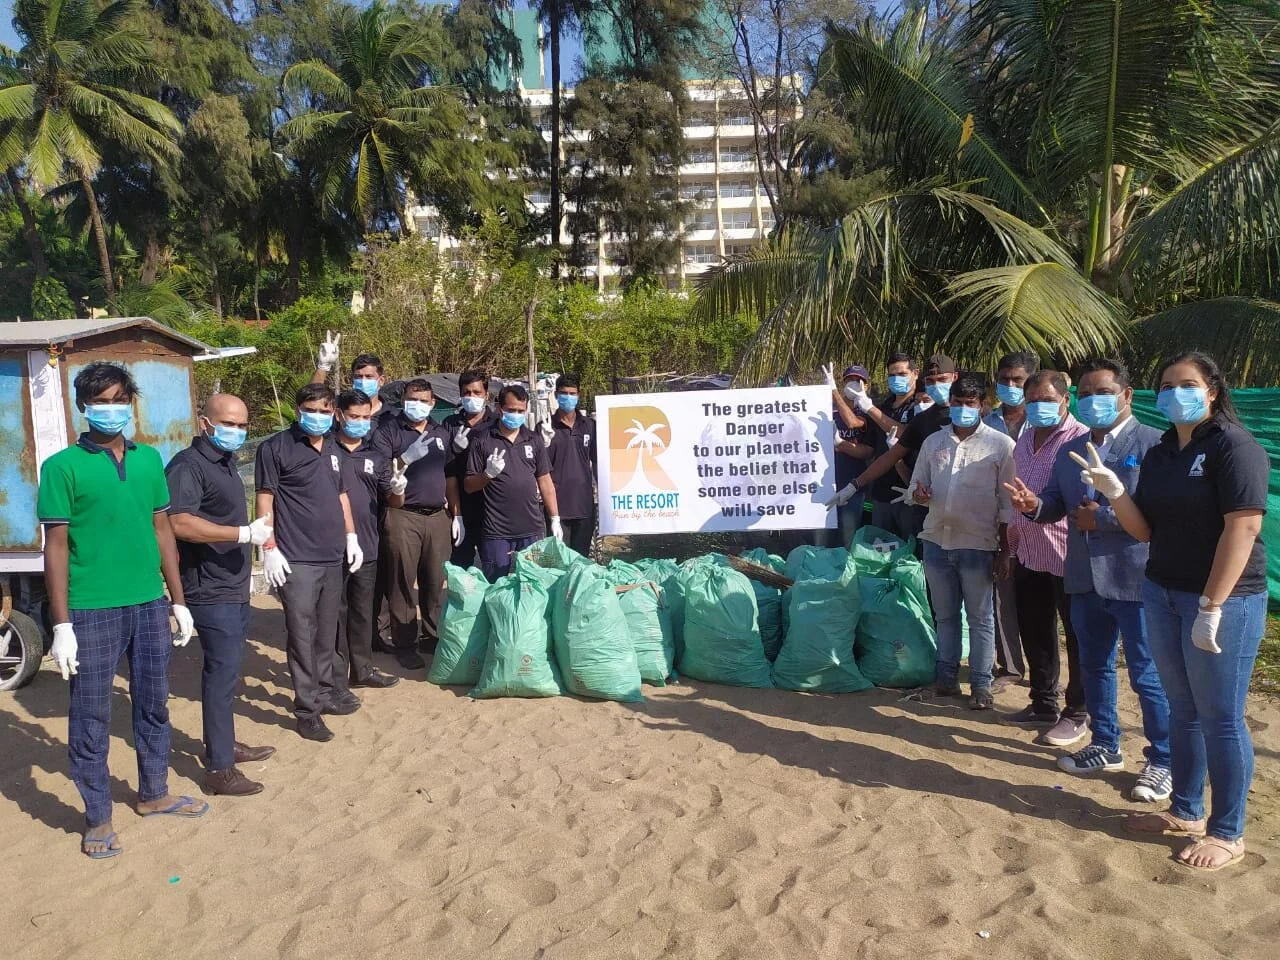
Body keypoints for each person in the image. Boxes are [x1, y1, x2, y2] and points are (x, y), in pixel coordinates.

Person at [1077, 352, 1269, 871]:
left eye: (1186, 383)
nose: (1174, 393)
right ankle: (1186, 810)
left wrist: (1213, 604)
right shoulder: (1163, 451)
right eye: (1166, 384)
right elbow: (1146, 531)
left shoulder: (1234, 447)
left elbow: (1243, 530)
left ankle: (1228, 832)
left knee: (1222, 717)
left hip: (1223, 600)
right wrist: (1115, 494)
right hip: (1161, 593)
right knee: (1183, 710)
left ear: (1211, 389)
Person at [38, 362, 207, 859]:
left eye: (119, 399)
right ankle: (97, 817)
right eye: (101, 400)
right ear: (83, 407)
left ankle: (154, 793)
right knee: (89, 715)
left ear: (130, 403)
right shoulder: (62, 466)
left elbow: (162, 531)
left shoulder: (151, 460)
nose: (112, 409)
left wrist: (178, 601)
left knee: (153, 704)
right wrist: (62, 622)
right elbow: (55, 545)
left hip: (148, 605)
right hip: (90, 611)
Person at [1006, 358, 1171, 802]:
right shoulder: (1069, 451)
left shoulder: (1155, 445)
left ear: (1127, 396)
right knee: (1094, 666)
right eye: (1087, 393)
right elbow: (1058, 504)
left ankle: (1162, 760)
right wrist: (1032, 506)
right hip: (1082, 577)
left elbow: (1161, 516)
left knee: (1146, 674)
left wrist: (1108, 520)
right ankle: (1105, 744)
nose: (1094, 401)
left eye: (1103, 392)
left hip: (1135, 578)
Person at [165, 394, 277, 797]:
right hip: (209, 589)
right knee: (220, 674)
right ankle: (219, 770)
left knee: (228, 675)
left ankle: (222, 744)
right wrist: (241, 534)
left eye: (243, 424)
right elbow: (179, 522)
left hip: (232, 584)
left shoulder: (225, 461)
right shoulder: (188, 466)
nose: (236, 431)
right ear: (205, 423)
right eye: (228, 423)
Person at [255, 384, 363, 742]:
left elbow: (342, 496)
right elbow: (265, 498)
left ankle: (327, 691)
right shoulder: (276, 448)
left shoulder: (333, 447)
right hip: (297, 558)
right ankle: (307, 709)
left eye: (322, 410)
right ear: (298, 410)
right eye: (309, 409)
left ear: (333, 412)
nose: (315, 416)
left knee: (327, 630)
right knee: (302, 633)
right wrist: (268, 546)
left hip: (332, 555)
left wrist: (351, 537)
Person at [906, 372, 1016, 710]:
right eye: (957, 403)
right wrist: (919, 494)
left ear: (982, 406)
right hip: (937, 541)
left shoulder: (1000, 445)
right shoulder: (933, 443)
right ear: (949, 405)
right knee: (945, 615)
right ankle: (947, 678)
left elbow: (1007, 504)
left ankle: (981, 686)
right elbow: (914, 488)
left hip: (978, 544)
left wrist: (1004, 550)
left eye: (970, 404)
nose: (963, 409)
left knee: (980, 618)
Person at [997, 371, 1091, 746]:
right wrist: (1010, 546)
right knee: (1036, 631)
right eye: (1032, 400)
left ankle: (1078, 712)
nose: (1039, 407)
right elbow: (1014, 501)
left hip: (1069, 554)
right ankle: (1043, 702)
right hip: (1030, 551)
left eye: (1047, 400)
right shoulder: (1022, 440)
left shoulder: (1081, 440)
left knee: (1078, 636)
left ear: (1065, 399)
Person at [371, 378, 461, 670]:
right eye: (413, 399)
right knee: (402, 581)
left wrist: (456, 514)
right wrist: (405, 460)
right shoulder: (389, 431)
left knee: (435, 582)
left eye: (423, 400)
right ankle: (405, 642)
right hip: (402, 514)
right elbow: (382, 472)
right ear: (403, 400)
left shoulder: (440, 432)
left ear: (433, 404)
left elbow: (449, 475)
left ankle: (432, 636)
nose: (417, 405)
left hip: (437, 516)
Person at [833, 353, 959, 543]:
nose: (936, 386)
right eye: (931, 381)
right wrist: (855, 484)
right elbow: (888, 455)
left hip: (951, 508)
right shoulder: (918, 417)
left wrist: (868, 408)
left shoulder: (961, 417)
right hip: (900, 496)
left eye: (942, 380)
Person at [334, 390, 404, 688]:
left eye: (366, 417)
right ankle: (334, 675)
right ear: (339, 415)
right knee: (335, 614)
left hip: (367, 545)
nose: (361, 423)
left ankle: (362, 671)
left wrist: (398, 490)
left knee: (363, 611)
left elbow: (392, 501)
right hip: (330, 547)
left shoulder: (376, 457)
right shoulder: (326, 452)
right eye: (354, 417)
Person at [465, 384, 563, 581]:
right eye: (511, 410)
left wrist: (555, 518)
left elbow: (544, 481)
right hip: (497, 532)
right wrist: (487, 475)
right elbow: (468, 485)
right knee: (496, 587)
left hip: (532, 531)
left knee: (532, 585)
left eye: (520, 411)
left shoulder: (533, 439)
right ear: (500, 409)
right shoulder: (482, 440)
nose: (516, 415)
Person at [983, 351, 1040, 681]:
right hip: (997, 520)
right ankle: (1011, 667)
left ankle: (1044, 672)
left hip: (1039, 520)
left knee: (1038, 600)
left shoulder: (1046, 422)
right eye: (1004, 380)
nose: (1009, 386)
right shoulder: (986, 422)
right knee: (1001, 597)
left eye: (1017, 380)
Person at [833, 352, 920, 537]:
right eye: (891, 375)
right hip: (880, 495)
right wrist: (842, 445)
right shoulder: (883, 407)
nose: (896, 379)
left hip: (910, 495)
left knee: (910, 557)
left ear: (915, 374)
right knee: (879, 554)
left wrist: (869, 408)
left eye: (902, 374)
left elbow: (906, 433)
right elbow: (870, 451)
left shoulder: (920, 405)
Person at [444, 369, 496, 568]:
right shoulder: (450, 424)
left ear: (486, 395)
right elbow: (445, 469)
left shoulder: (496, 424)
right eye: (466, 392)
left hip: (491, 510)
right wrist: (454, 451)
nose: (471, 397)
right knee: (459, 570)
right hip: (460, 507)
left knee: (493, 570)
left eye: (476, 392)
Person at [542, 373, 598, 556]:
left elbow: (597, 463)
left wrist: (603, 499)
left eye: (572, 393)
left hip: (584, 506)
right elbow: (539, 468)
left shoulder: (589, 426)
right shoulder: (545, 427)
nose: (568, 397)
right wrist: (544, 444)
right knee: (558, 563)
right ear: (556, 395)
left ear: (578, 395)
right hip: (557, 509)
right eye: (564, 393)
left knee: (581, 562)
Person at [820, 363, 875, 547]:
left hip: (852, 485)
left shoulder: (868, 411)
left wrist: (833, 390)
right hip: (823, 484)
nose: (853, 383)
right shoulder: (828, 410)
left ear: (866, 385)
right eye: (849, 380)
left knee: (848, 538)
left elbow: (852, 424)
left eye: (858, 381)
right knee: (821, 540)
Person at [311, 333, 395, 425]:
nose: (363, 381)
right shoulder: (338, 404)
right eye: (358, 377)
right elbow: (312, 400)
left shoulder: (392, 416)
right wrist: (323, 367)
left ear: (381, 380)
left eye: (368, 377)